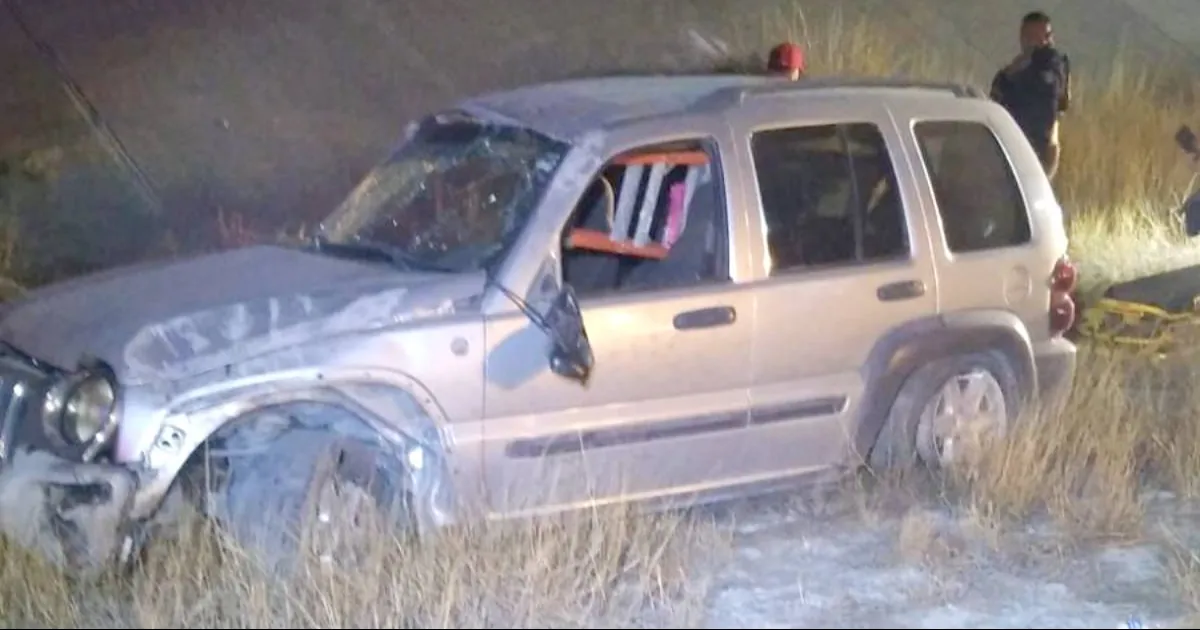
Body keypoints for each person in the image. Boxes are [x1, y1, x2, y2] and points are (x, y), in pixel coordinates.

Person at [989, 11, 1072, 180]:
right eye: (1036, 38)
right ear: (1024, 39)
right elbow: (995, 102)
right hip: (1016, 147)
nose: (1044, 43)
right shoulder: (1010, 76)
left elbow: (1062, 105)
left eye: (1048, 36)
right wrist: (1017, 69)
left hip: (1045, 149)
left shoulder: (1057, 66)